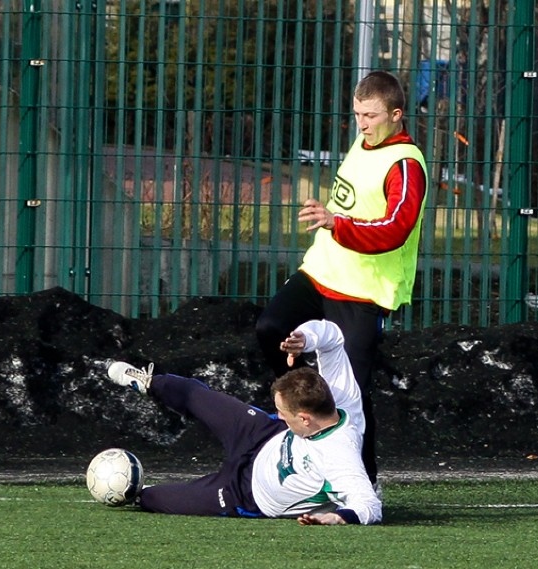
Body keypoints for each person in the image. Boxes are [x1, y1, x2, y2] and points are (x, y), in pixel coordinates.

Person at [255, 70, 429, 483]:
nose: (362, 124)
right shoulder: (364, 143)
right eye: (357, 115)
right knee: (270, 328)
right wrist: (331, 217)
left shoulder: (406, 165)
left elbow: (394, 229)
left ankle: (362, 485)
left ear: (396, 114)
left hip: (362, 293)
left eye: (370, 115)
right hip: (320, 273)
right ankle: (299, 419)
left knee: (350, 396)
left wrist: (336, 223)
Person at [103, 319, 381, 525]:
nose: (280, 415)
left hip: (244, 493)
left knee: (153, 500)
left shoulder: (340, 456)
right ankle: (147, 382)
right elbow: (331, 335)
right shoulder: (340, 395)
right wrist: (305, 338)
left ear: (305, 419)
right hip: (261, 434)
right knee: (194, 394)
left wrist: (336, 517)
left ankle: (131, 490)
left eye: (283, 411)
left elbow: (369, 505)